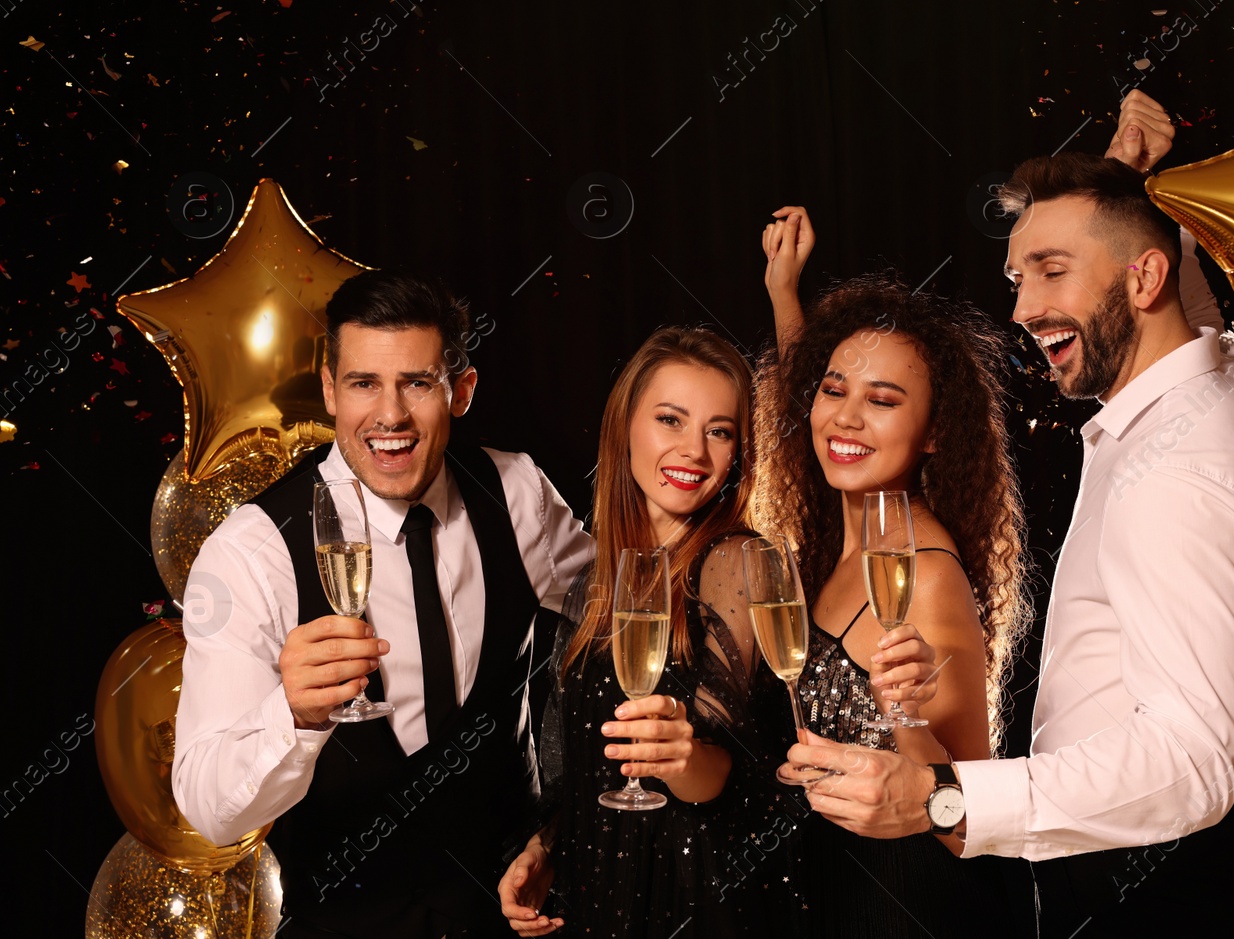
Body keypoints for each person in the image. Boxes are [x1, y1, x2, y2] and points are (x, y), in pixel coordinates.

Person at [783, 96, 1234, 936]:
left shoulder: (1174, 478)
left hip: (1149, 873)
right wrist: (1123, 193)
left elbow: (1190, 762)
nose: (1023, 308)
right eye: (1018, 276)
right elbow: (1193, 317)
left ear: (1144, 277)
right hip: (1200, 845)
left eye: (1052, 271)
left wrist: (947, 798)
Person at [172, 269, 592, 939]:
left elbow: (614, 633)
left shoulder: (519, 492)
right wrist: (293, 714)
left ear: (460, 391)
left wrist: (559, 824)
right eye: (365, 382)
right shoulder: (254, 550)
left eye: (417, 383)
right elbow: (210, 809)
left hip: (509, 923)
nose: (390, 415)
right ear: (331, 391)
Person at [755, 249, 1035, 936]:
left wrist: (907, 716)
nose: (847, 417)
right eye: (834, 389)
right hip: (832, 896)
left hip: (910, 907)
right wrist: (783, 292)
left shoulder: (926, 572)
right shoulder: (835, 539)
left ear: (936, 431)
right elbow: (803, 398)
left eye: (882, 401)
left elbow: (967, 815)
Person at [498, 327, 806, 938]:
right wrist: (545, 848)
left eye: (719, 431)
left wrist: (684, 759)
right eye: (671, 420)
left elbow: (733, 770)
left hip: (693, 902)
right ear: (625, 428)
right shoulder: (596, 578)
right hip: (598, 900)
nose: (694, 449)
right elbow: (583, 766)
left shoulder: (736, 563)